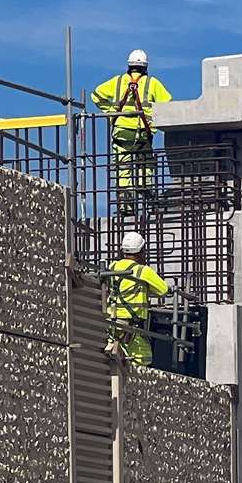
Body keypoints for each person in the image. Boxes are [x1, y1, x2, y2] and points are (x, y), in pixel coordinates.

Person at [91, 50, 172, 211]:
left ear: (129, 65)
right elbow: (168, 103)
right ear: (145, 67)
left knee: (123, 166)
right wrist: (153, 119)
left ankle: (125, 205)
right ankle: (145, 186)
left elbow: (95, 95)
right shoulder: (152, 83)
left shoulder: (118, 81)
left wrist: (112, 112)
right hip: (143, 130)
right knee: (145, 161)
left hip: (121, 130)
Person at [108, 231, 168, 367]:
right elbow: (163, 290)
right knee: (143, 358)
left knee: (114, 354)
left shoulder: (112, 267)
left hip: (111, 322)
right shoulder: (143, 271)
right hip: (132, 324)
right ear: (142, 251)